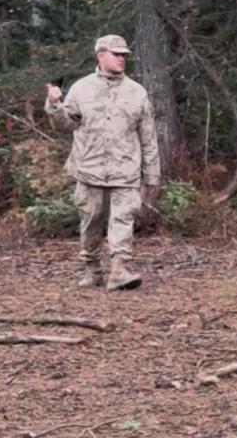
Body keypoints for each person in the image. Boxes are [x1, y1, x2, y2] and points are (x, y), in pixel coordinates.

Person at [45, 34, 160, 291]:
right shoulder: (81, 89)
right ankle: (92, 269)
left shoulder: (137, 91)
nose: (122, 59)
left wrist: (152, 175)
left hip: (125, 170)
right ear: (101, 55)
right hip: (89, 169)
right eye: (116, 54)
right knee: (91, 221)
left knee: (123, 218)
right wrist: (54, 104)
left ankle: (119, 270)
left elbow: (149, 138)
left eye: (124, 55)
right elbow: (64, 125)